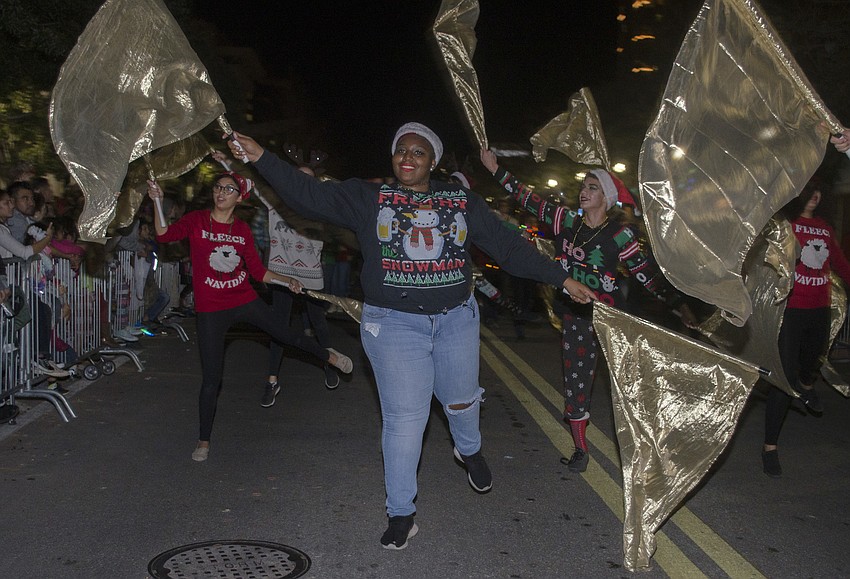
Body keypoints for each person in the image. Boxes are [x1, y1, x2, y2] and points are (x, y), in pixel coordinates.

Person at [227, 123, 595, 550]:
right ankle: (401, 512)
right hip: (394, 324)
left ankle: (468, 448)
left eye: (418, 152)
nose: (408, 157)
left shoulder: (459, 201)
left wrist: (562, 280)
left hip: (456, 319)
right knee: (404, 421)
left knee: (460, 400)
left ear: (432, 161)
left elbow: (507, 246)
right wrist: (260, 157)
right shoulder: (369, 198)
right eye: (401, 150)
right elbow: (309, 196)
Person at [480, 148, 696, 473]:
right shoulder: (565, 221)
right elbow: (529, 199)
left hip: (612, 319)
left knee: (630, 384)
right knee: (577, 380)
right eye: (584, 185)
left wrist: (679, 305)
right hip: (576, 316)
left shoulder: (621, 235)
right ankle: (581, 447)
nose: (585, 191)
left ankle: (655, 448)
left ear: (606, 198)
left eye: (593, 187)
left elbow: (646, 274)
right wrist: (497, 170)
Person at [146, 171, 353, 462]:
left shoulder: (241, 230)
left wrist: (286, 280)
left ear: (239, 197)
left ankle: (328, 356)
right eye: (218, 187)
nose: (221, 193)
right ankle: (203, 441)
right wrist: (157, 201)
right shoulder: (196, 221)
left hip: (243, 300)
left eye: (228, 189)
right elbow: (164, 235)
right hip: (210, 309)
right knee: (211, 378)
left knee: (286, 334)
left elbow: (258, 272)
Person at [762, 179, 850, 477]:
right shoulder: (786, 225)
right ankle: (770, 447)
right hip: (792, 312)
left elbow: (838, 262)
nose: (814, 194)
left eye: (818, 189)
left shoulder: (825, 228)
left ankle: (808, 385)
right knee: (784, 379)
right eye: (808, 189)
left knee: (813, 361)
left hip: (820, 310)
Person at [263, 166, 342, 406]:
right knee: (278, 327)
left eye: (307, 178)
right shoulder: (274, 201)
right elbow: (252, 175)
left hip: (311, 276)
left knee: (318, 322)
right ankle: (272, 381)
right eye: (297, 176)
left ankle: (329, 362)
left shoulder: (319, 208)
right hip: (281, 273)